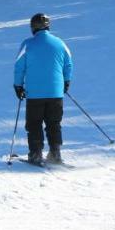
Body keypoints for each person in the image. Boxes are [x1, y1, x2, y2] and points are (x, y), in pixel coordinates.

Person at [13, 13, 73, 166]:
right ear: (48, 26)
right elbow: (68, 64)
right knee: (54, 123)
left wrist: (18, 85)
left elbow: (19, 66)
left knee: (34, 123)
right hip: (55, 92)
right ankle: (55, 153)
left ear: (33, 27)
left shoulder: (27, 44)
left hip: (35, 93)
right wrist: (66, 81)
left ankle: (36, 154)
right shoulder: (60, 43)